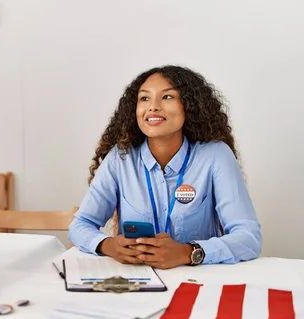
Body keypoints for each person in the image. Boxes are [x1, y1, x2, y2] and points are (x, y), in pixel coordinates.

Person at [68, 65, 262, 269]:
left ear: (189, 105)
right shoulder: (120, 158)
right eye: (144, 98)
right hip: (136, 284)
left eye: (167, 97)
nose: (153, 107)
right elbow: (80, 225)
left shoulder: (215, 155)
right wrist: (108, 245)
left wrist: (188, 252)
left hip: (198, 284)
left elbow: (248, 237)